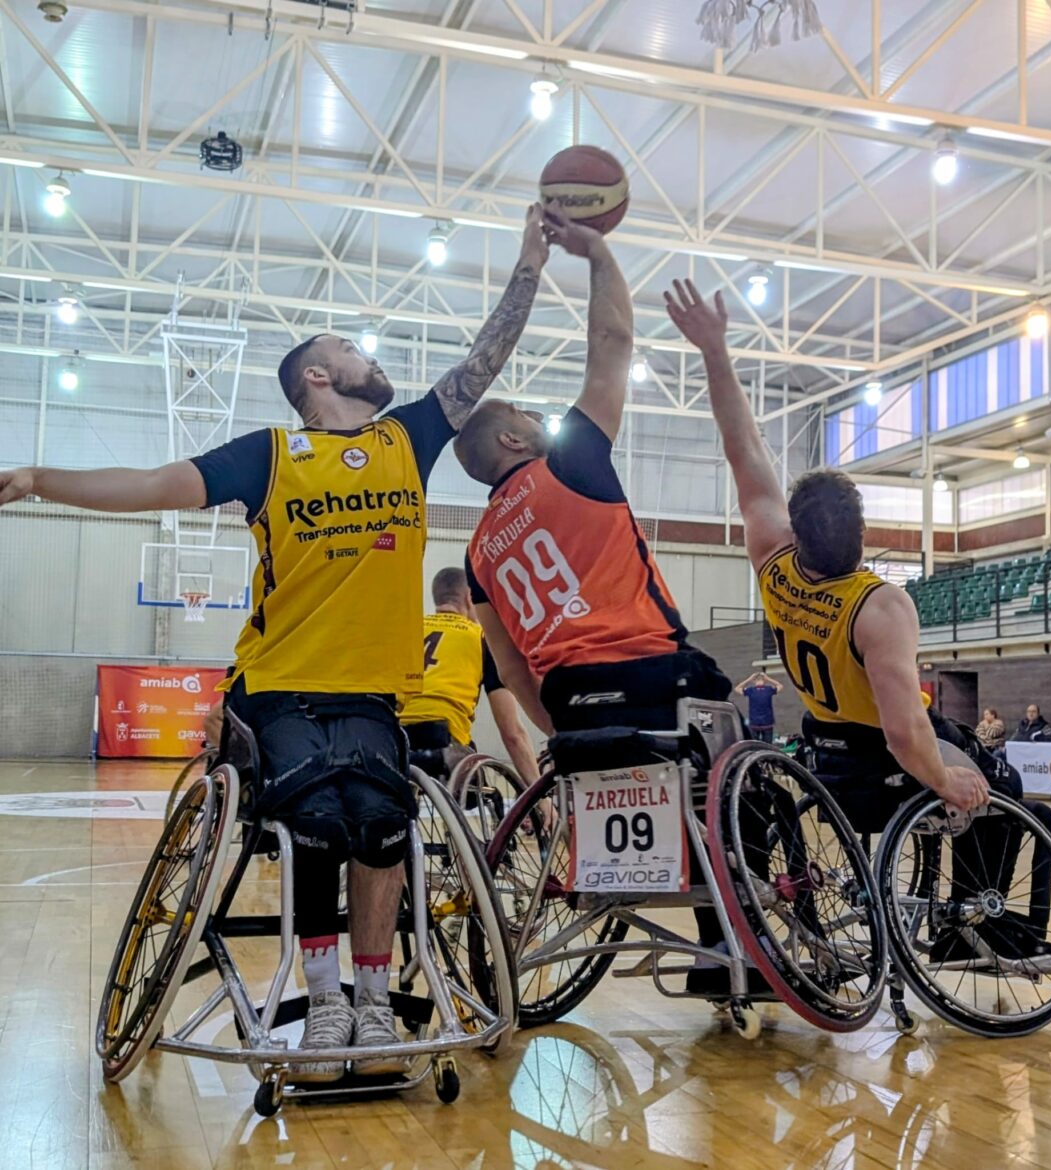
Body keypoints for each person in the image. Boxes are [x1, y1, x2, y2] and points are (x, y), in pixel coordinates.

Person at [0, 204, 550, 1083]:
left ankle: (373, 1004)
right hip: (280, 688)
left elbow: (486, 358)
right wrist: (37, 475)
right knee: (320, 826)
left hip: (372, 693)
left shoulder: (405, 438)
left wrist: (529, 260)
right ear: (320, 375)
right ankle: (325, 1001)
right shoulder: (271, 454)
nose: (374, 362)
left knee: (380, 826)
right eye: (355, 352)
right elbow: (152, 484)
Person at [454, 208, 732, 983]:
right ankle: (737, 934)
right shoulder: (570, 461)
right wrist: (600, 254)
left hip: (574, 705)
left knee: (661, 760)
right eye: (526, 416)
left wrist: (571, 730)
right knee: (741, 753)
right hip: (654, 673)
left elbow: (510, 673)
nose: (540, 419)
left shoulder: (477, 553)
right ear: (512, 441)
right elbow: (611, 346)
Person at [664, 277, 992, 818]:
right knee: (1014, 801)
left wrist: (715, 351)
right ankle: (991, 904)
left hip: (825, 751)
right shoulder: (881, 607)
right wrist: (946, 780)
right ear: (863, 534)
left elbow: (741, 445)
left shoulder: (773, 558)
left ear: (796, 533)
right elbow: (906, 735)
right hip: (882, 760)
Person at [400, 566, 540, 783]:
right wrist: (541, 798)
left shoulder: (408, 632)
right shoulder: (482, 638)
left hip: (396, 743)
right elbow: (512, 733)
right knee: (486, 793)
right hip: (443, 745)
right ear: (469, 597)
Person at [735, 669, 783, 742]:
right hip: (767, 723)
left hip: (754, 723)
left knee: (755, 746)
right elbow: (780, 686)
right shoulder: (769, 690)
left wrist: (749, 679)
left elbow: (737, 688)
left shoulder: (750, 690)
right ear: (764, 680)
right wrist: (768, 678)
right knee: (767, 746)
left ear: (754, 681)